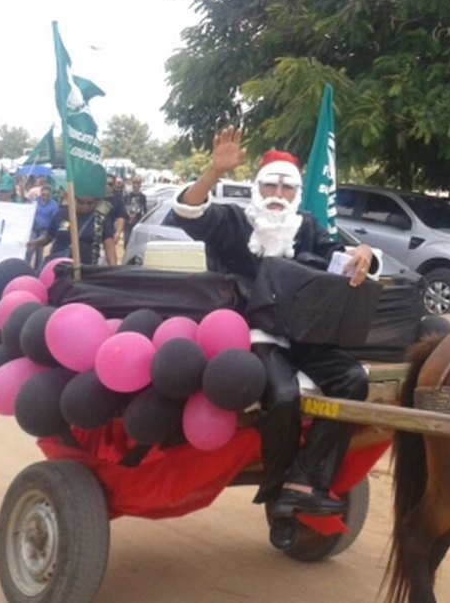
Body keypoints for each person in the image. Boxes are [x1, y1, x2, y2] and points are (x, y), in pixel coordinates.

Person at [168, 126, 377, 552]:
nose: (278, 192)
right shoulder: (231, 221)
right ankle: (281, 492)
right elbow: (190, 211)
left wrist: (365, 255)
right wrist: (212, 171)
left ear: (295, 192)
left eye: (286, 185)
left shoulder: (309, 228)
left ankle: (303, 482)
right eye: (270, 183)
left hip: (305, 335)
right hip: (248, 334)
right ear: (257, 187)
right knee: (282, 396)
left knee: (353, 381)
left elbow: (342, 263)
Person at [31, 194, 118, 266]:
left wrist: (114, 270)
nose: (85, 206)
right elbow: (48, 236)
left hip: (86, 269)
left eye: (89, 203)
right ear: (74, 199)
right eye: (81, 202)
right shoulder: (61, 214)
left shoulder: (100, 220)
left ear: (96, 203)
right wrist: (36, 242)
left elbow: (109, 247)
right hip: (59, 266)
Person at [25, 184, 60, 268]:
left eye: (47, 195)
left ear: (50, 195)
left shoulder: (53, 205)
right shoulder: (35, 201)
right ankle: (25, 266)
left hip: (44, 230)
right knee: (30, 249)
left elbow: (54, 218)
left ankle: (37, 270)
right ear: (40, 193)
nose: (45, 196)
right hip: (33, 228)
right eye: (43, 194)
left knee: (39, 251)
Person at [123, 176, 148, 246]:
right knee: (127, 240)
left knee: (136, 241)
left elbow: (144, 209)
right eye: (134, 183)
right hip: (128, 221)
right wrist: (128, 216)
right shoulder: (128, 195)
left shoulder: (142, 197)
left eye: (138, 183)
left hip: (137, 220)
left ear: (140, 185)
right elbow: (124, 206)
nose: (136, 185)